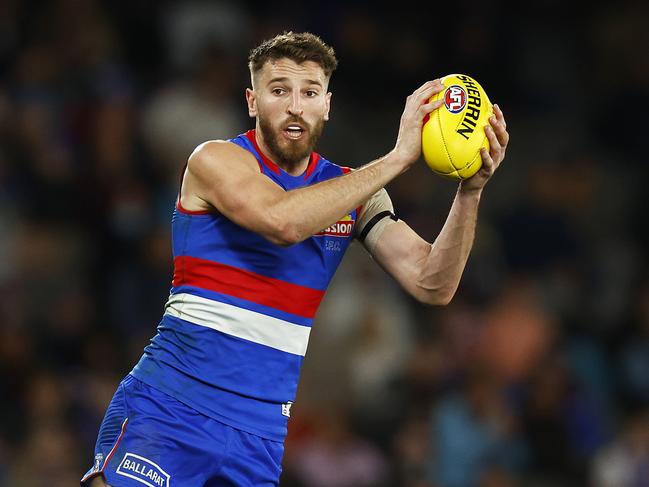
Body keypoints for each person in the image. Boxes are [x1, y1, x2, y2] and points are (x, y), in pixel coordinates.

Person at [81, 31, 509, 487]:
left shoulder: (355, 195)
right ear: (252, 100)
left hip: (259, 435)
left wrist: (471, 191)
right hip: (171, 407)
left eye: (309, 93)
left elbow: (432, 283)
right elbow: (281, 221)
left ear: (327, 104)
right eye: (279, 90)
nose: (295, 106)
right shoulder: (215, 160)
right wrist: (400, 157)